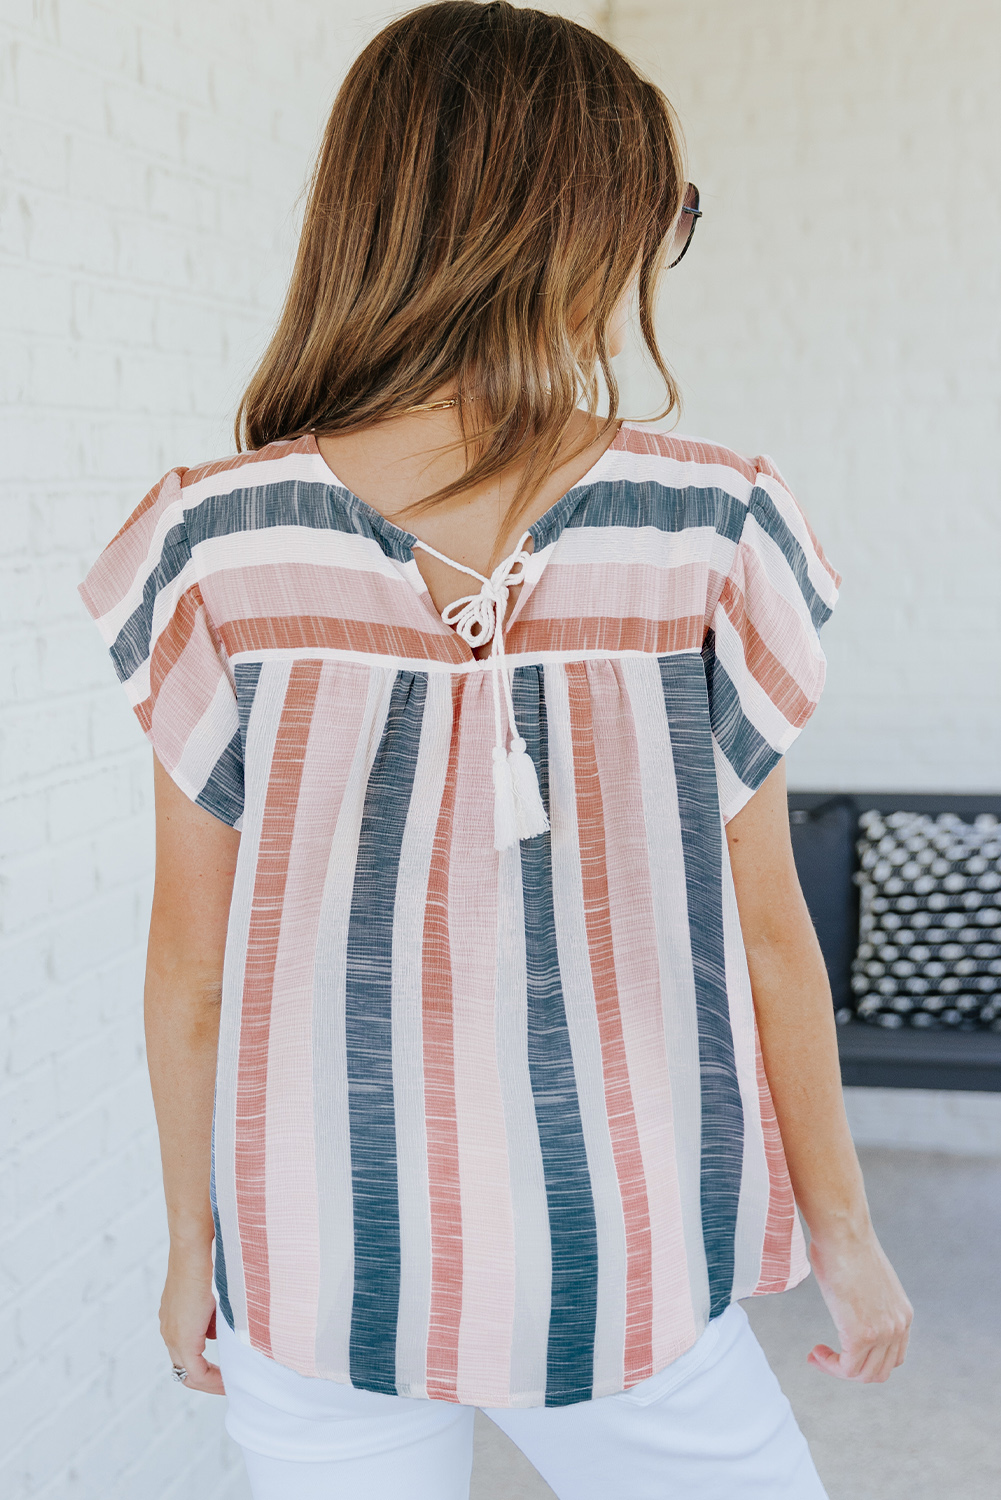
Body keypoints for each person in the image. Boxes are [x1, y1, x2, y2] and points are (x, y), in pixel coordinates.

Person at [78, 4, 912, 1496]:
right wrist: (840, 1235)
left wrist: (190, 1238)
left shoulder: (212, 543)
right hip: (629, 1249)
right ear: (570, 220)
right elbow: (769, 935)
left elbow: (192, 966)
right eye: (662, 210)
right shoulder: (710, 526)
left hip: (320, 1262)